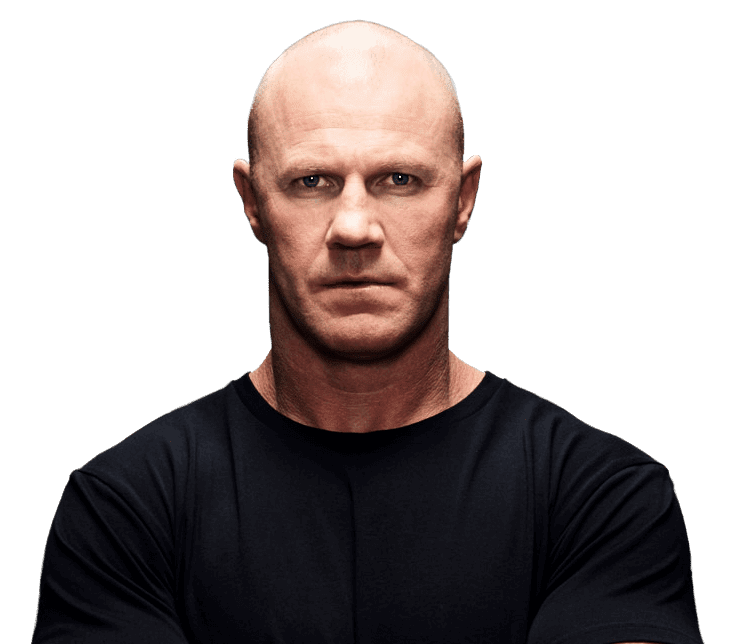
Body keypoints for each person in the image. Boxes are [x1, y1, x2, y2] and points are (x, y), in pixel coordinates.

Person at [32, 21, 702, 643]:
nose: (354, 228)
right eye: (312, 181)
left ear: (463, 199)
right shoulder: (124, 506)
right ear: (252, 202)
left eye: (399, 179)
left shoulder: (603, 496)